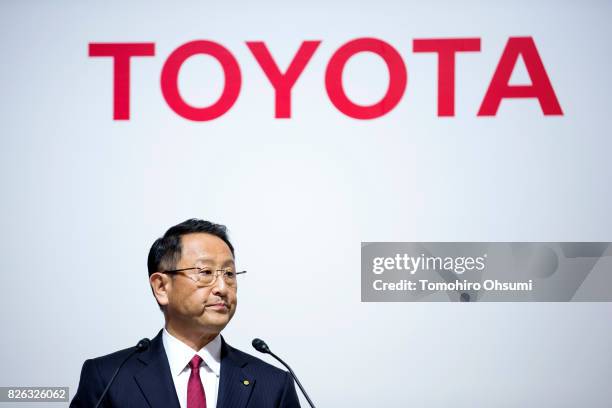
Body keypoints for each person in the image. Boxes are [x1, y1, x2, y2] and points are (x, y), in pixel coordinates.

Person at [71, 219, 300, 408]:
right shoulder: (109, 377)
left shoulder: (273, 384)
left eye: (229, 273)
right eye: (205, 272)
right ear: (161, 287)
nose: (221, 287)